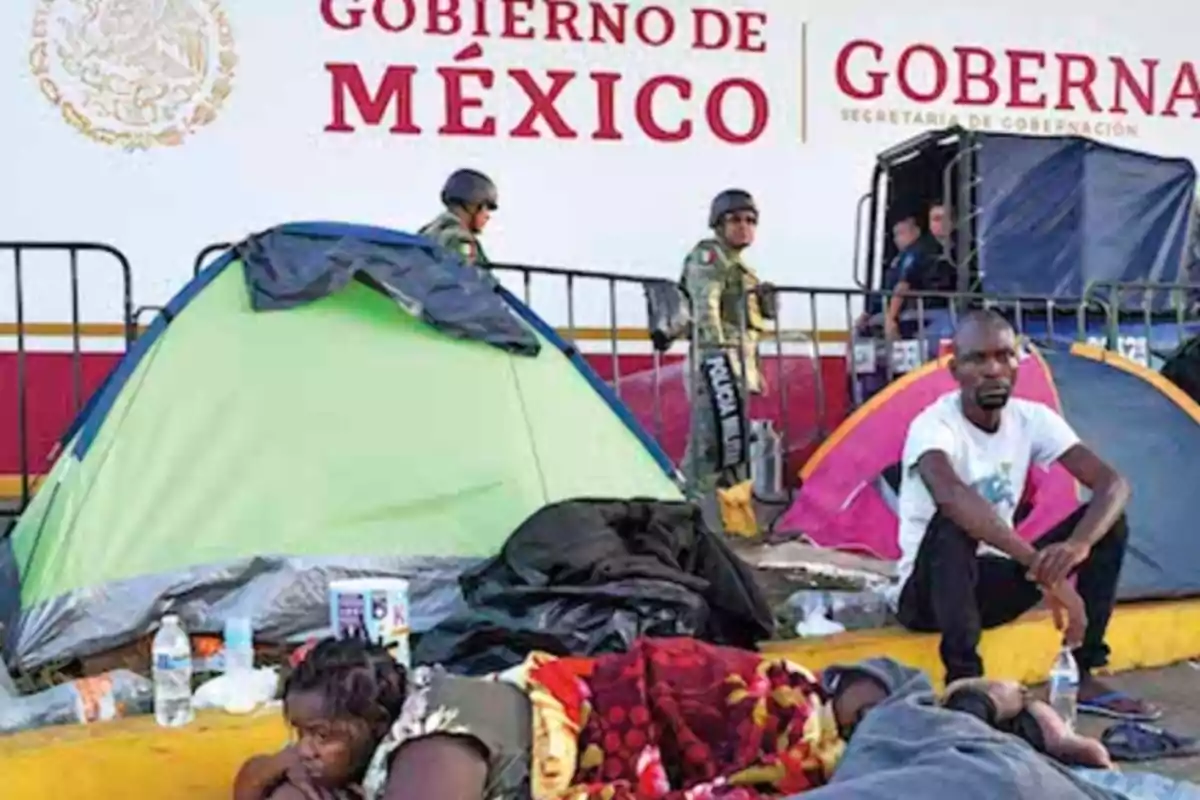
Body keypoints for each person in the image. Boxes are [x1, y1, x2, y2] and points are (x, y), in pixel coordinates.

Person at [891, 309, 1158, 721]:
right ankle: (966, 681)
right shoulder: (933, 425)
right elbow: (951, 497)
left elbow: (1113, 483)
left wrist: (1076, 547)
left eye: (1004, 356)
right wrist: (1038, 564)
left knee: (1107, 522)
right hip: (927, 596)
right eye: (978, 359)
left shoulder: (1031, 419)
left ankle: (1083, 672)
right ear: (954, 368)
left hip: (992, 585)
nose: (993, 370)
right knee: (955, 523)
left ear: (1018, 361)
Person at [680, 188, 776, 495]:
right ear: (719, 224)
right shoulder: (710, 255)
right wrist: (717, 354)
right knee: (708, 445)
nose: (744, 226)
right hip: (715, 363)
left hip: (735, 364)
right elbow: (705, 305)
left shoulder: (741, 266)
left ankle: (732, 516)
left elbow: (748, 327)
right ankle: (687, 509)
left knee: (733, 446)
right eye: (735, 219)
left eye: (750, 220)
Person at [233, 637, 407, 800]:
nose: (304, 751)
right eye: (300, 732)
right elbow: (247, 785)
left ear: (377, 724)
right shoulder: (307, 759)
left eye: (322, 735)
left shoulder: (404, 768)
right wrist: (279, 763)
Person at [858, 215, 936, 339]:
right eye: (895, 235)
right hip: (886, 308)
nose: (897, 239)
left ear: (916, 232)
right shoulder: (900, 257)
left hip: (909, 311)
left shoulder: (916, 253)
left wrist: (891, 318)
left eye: (902, 233)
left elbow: (903, 285)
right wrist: (866, 314)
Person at [417, 168, 497, 268]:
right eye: (486, 208)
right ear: (472, 206)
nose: (487, 216)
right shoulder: (460, 239)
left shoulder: (427, 232)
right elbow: (473, 278)